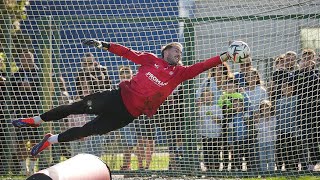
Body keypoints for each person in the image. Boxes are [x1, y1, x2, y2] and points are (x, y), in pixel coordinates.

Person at [11, 39, 241, 156]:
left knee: (87, 131)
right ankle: (35, 120)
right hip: (116, 97)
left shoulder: (181, 73)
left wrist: (227, 56)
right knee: (75, 107)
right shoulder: (151, 60)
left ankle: (49, 141)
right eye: (175, 50)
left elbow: (203, 65)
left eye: (181, 52)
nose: (178, 53)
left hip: (128, 114)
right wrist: (104, 45)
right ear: (165, 52)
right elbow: (127, 52)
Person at [10, 50, 44, 175]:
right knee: (21, 141)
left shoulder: (39, 74)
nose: (27, 61)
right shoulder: (16, 75)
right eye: (24, 58)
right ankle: (25, 170)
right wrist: (20, 85)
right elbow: (12, 87)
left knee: (35, 140)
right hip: (20, 111)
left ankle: (34, 168)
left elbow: (43, 86)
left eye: (29, 58)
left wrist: (32, 86)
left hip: (36, 111)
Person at [117, 66, 137, 170]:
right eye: (123, 76)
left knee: (136, 143)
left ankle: (141, 166)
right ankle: (126, 165)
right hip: (124, 118)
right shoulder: (118, 87)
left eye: (128, 75)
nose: (125, 77)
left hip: (137, 117)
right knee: (127, 144)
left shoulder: (135, 84)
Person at [254, 100, 276, 171]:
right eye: (262, 109)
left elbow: (273, 126)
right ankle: (263, 171)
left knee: (271, 157)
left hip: (270, 140)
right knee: (262, 157)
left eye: (266, 109)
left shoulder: (273, 118)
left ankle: (271, 171)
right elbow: (258, 129)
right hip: (261, 140)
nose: (265, 111)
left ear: (270, 109)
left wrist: (267, 119)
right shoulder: (259, 119)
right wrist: (256, 121)